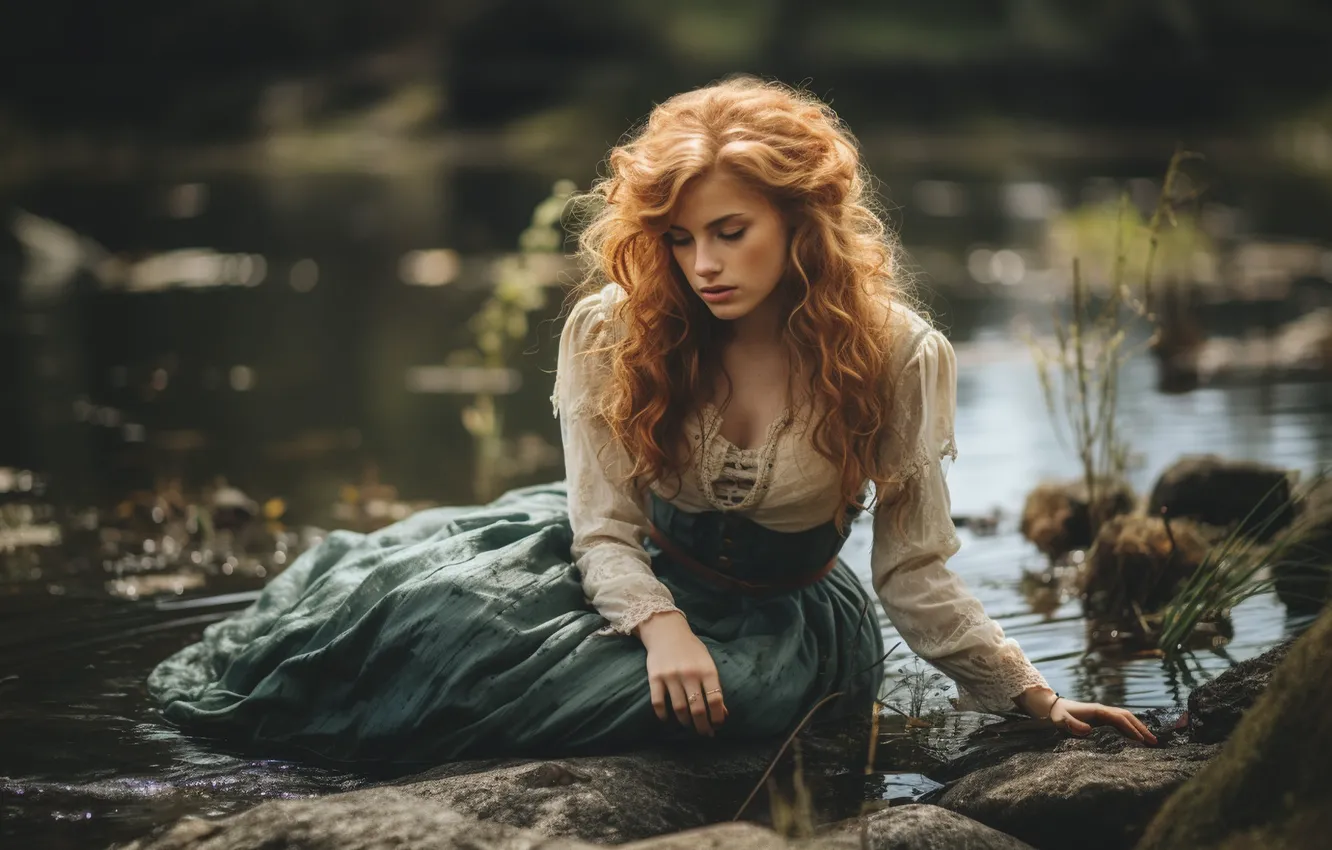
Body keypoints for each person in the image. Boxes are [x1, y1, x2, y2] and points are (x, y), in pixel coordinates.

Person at [148, 76, 1156, 766]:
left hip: (786, 622)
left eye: (730, 232)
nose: (702, 264)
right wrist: (661, 625)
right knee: (405, 629)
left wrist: (1034, 698)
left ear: (803, 228)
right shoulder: (615, 329)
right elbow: (602, 527)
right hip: (623, 581)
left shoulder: (897, 354)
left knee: (686, 710)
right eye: (678, 239)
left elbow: (914, 570)